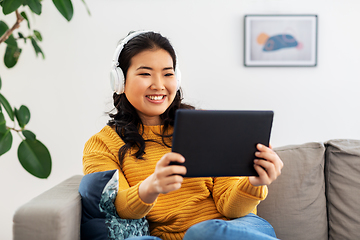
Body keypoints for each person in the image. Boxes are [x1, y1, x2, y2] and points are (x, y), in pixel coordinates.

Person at [82, 30, 284, 240]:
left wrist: (254, 183)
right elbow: (119, 208)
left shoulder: (206, 127)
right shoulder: (102, 145)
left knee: (202, 233)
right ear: (119, 81)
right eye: (145, 73)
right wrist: (152, 187)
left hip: (235, 228)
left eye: (167, 74)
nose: (159, 85)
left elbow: (231, 209)